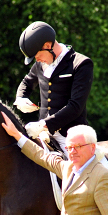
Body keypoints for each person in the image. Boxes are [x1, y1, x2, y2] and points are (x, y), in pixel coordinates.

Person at [14, 21, 93, 157]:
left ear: (47, 45)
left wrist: (43, 125)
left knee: (77, 173)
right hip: (43, 135)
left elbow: (76, 106)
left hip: (71, 135)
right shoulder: (41, 64)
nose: (37, 60)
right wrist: (21, 98)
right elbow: (27, 82)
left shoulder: (80, 64)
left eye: (38, 55)